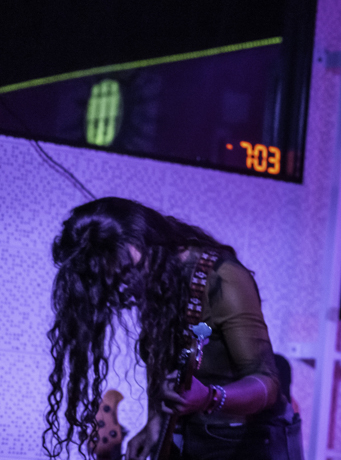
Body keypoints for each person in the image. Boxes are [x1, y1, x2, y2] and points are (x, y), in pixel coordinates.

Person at [44, 197, 302, 460]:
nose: (122, 288)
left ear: (139, 240)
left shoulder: (223, 278)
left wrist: (210, 397)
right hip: (196, 439)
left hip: (249, 445)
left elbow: (267, 384)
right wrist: (154, 423)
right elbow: (161, 358)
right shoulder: (155, 278)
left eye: (122, 272)